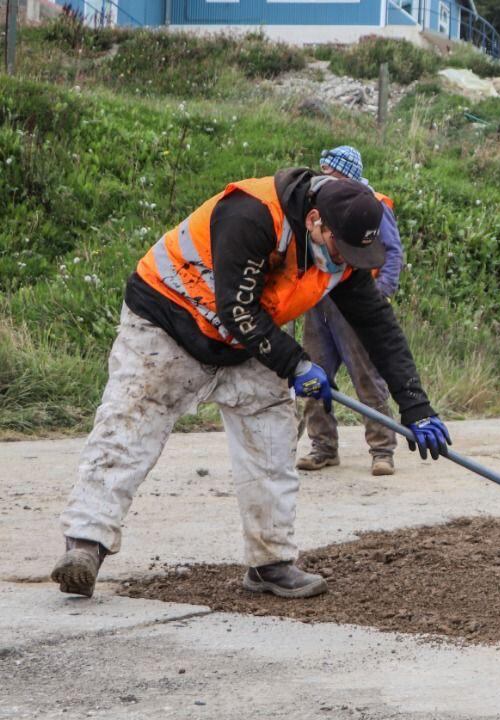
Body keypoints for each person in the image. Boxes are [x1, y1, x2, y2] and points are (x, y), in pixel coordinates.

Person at [52, 168, 452, 600]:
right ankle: (85, 544)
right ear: (316, 221)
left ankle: (270, 563)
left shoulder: (342, 258)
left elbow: (378, 325)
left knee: (272, 439)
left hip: (248, 340)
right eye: (344, 248)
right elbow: (235, 307)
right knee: (130, 426)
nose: (348, 261)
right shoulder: (253, 214)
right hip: (169, 320)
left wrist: (416, 405)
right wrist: (297, 365)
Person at [295, 146, 405, 477]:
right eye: (323, 172)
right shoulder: (318, 207)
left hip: (355, 303)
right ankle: (323, 448)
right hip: (319, 302)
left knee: (366, 378)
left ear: (347, 175)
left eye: (331, 174)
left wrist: (379, 294)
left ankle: (382, 450)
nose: (324, 179)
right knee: (315, 376)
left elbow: (393, 253)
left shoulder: (370, 206)